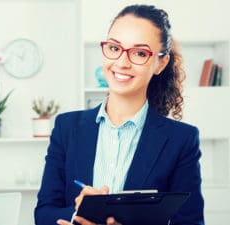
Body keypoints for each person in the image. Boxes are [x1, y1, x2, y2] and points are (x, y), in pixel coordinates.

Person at [34, 4, 204, 225]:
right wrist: (79, 215)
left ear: (160, 63)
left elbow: (191, 223)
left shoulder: (181, 140)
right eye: (114, 48)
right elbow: (44, 213)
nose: (122, 63)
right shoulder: (67, 128)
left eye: (139, 53)